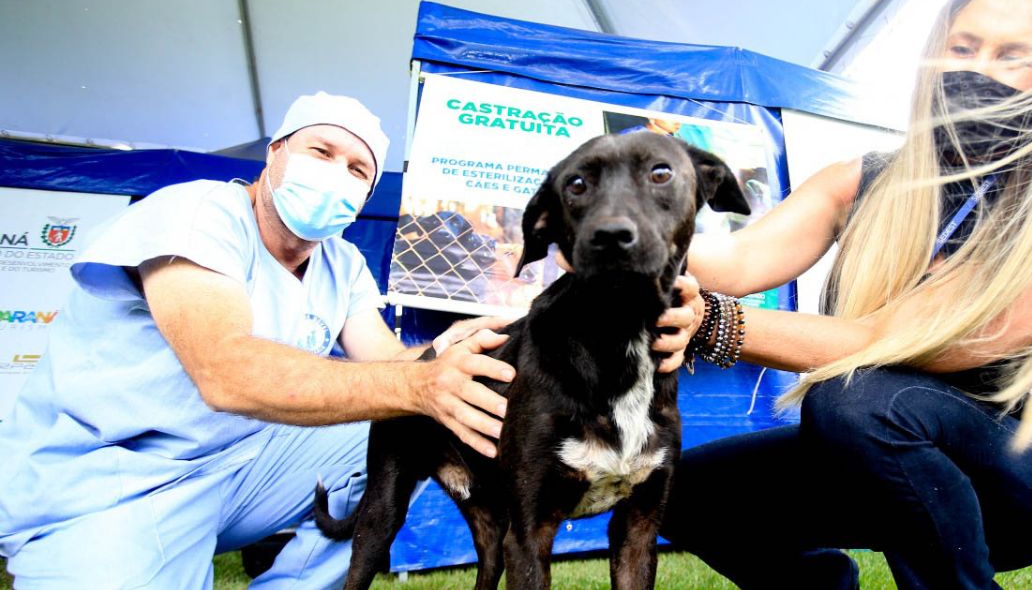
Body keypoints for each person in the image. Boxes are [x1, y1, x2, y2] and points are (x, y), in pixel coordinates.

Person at [0, 91, 699, 588]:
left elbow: (390, 367)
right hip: (116, 481)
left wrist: (454, 352)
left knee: (400, 424)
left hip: (242, 468)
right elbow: (225, 372)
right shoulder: (194, 212)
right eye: (320, 151)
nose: (337, 174)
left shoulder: (338, 262)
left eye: (358, 169)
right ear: (274, 154)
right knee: (403, 402)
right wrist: (417, 381)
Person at [664, 0, 1032, 589]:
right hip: (871, 457)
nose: (976, 68)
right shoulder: (866, 179)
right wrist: (624, 240)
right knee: (679, 488)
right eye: (962, 47)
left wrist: (711, 321)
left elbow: (893, 338)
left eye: (1012, 54)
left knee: (856, 398)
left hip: (1016, 480)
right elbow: (737, 262)